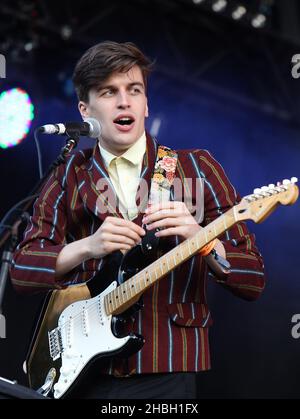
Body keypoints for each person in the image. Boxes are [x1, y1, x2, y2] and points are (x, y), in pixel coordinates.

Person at [10, 41, 265, 399]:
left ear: (146, 105)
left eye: (134, 90)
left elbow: (252, 278)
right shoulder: (68, 174)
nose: (124, 101)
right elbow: (22, 270)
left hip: (165, 369)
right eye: (108, 92)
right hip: (81, 373)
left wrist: (200, 235)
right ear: (85, 110)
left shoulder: (196, 169)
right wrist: (88, 247)